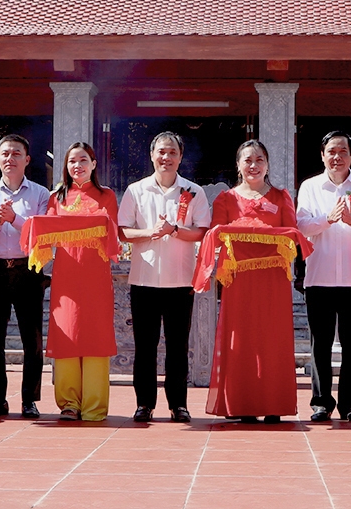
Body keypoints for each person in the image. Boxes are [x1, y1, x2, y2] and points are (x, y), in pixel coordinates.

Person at [207, 140, 300, 424]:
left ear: (268, 164)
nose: (253, 165)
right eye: (247, 160)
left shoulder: (281, 197)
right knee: (241, 336)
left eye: (259, 159)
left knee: (273, 337)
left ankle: (273, 402)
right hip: (239, 278)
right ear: (238, 165)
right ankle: (242, 402)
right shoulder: (226, 199)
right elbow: (217, 234)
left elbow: (293, 233)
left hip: (273, 277)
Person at [119, 131, 210, 424]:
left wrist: (174, 230)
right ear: (152, 155)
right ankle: (144, 403)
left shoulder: (194, 191)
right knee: (144, 346)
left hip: (180, 280)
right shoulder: (136, 190)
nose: (166, 158)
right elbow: (123, 231)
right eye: (161, 152)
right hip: (143, 279)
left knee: (178, 346)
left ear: (180, 157)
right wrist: (150, 233)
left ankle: (178, 404)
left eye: (172, 153)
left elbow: (201, 232)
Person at [296, 131, 351, 423]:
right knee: (319, 344)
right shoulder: (309, 187)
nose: (337, 157)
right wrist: (328, 219)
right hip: (319, 277)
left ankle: (349, 405)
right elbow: (301, 227)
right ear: (322, 155)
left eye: (343, 151)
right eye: (331, 151)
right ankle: (321, 403)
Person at [0, 134, 50, 419]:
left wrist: (14, 219)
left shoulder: (41, 194)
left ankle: (29, 400)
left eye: (16, 153)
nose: (10, 159)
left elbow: (41, 235)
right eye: (5, 153)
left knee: (32, 340)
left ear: (27, 159)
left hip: (28, 269)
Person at [46, 142, 119, 422]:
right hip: (66, 276)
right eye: (72, 161)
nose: (78, 166)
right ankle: (68, 403)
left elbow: (111, 231)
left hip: (95, 276)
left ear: (94, 164)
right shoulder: (58, 197)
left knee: (94, 335)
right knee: (67, 334)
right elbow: (47, 230)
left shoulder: (106, 195)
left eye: (83, 160)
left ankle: (94, 406)